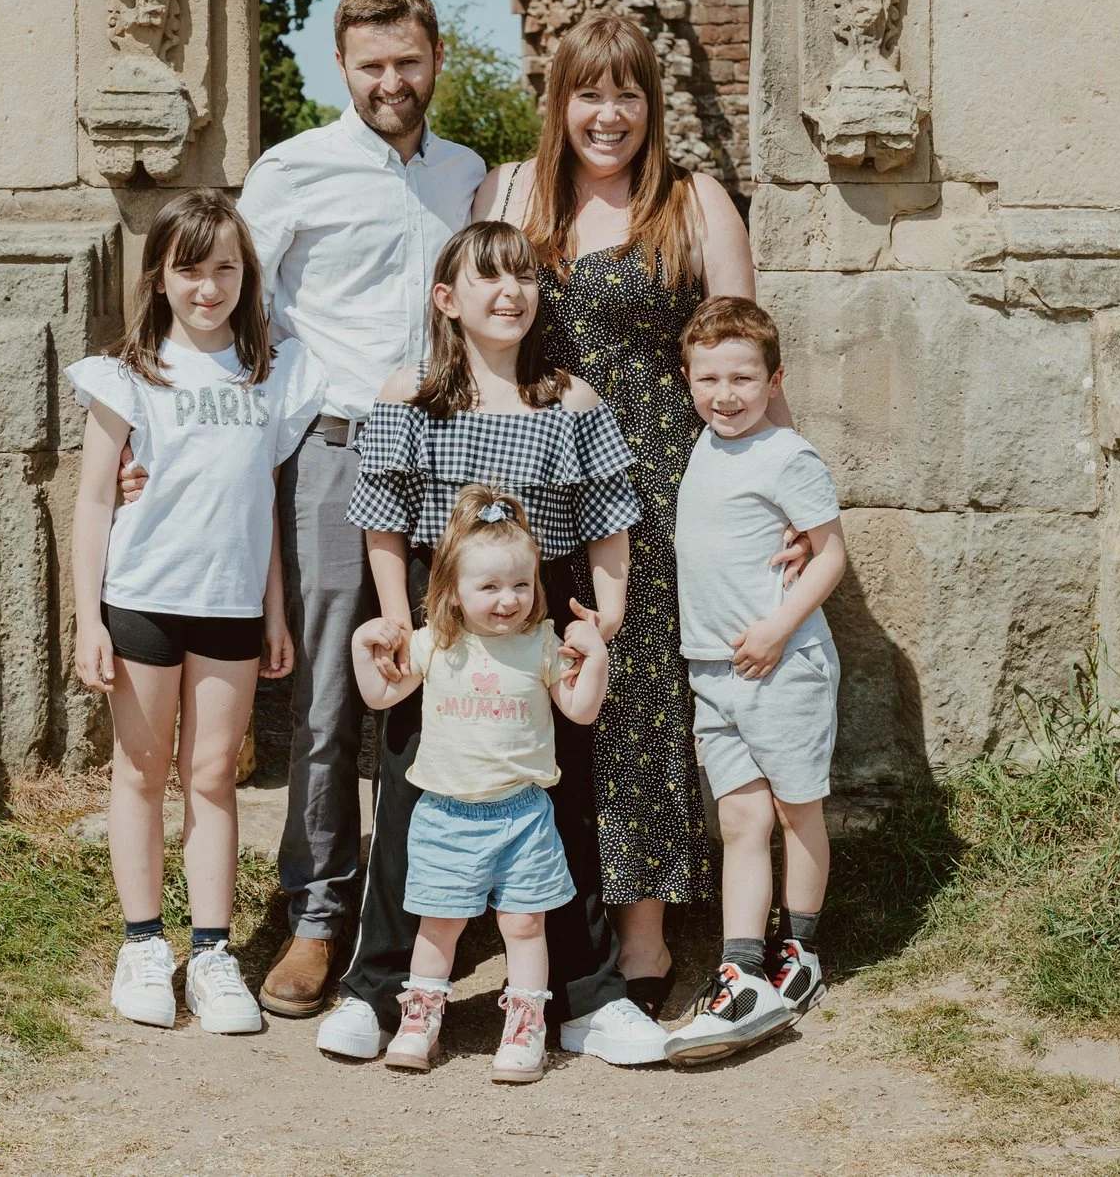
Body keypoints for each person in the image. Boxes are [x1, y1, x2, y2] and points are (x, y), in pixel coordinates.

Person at [476, 12, 797, 1012]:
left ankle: (645, 940)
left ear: (650, 103)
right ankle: (538, 920)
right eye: (587, 93)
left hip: (659, 486)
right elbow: (471, 335)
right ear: (558, 100)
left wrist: (794, 494)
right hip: (534, 476)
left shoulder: (694, 201)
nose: (606, 114)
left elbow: (749, 355)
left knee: (639, 708)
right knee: (529, 689)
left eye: (626, 93)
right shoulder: (513, 192)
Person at [317, 221, 671, 1067]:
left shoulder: (569, 399)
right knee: (410, 799)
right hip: (439, 615)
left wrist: (607, 611)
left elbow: (608, 514)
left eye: (523, 277)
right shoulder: (411, 394)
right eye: (488, 278)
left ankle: (582, 998)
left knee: (560, 802)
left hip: (536, 610)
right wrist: (399, 617)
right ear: (448, 298)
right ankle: (379, 988)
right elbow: (385, 518)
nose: (509, 292)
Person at [232, 0, 488, 1016]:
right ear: (343, 67)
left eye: (408, 61)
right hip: (338, 451)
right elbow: (226, 307)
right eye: (372, 65)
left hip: (452, 452)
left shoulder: (467, 174)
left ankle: (435, 903)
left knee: (455, 682)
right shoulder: (292, 169)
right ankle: (317, 916)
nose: (392, 81)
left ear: (435, 61)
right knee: (337, 699)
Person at [68, 190, 326, 1034]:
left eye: (225, 268)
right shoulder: (127, 375)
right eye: (190, 268)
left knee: (212, 776)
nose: (208, 286)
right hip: (143, 600)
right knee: (141, 772)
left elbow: (267, 503)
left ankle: (212, 952)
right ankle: (145, 942)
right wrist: (86, 618)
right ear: (161, 277)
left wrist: (275, 610)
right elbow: (94, 502)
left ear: (247, 276)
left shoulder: (270, 376)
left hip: (230, 609)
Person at [348, 485, 611, 1083]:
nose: (507, 600)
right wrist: (364, 649)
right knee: (439, 925)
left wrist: (593, 657)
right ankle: (420, 1019)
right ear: (451, 591)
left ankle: (524, 1028)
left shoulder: (543, 645)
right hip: (445, 814)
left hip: (523, 814)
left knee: (525, 924)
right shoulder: (435, 644)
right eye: (488, 587)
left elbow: (580, 711)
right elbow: (382, 694)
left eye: (520, 585)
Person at [661, 297, 849, 1066]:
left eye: (743, 376)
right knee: (740, 818)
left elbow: (831, 553)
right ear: (688, 379)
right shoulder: (700, 445)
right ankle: (740, 960)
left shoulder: (787, 454)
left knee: (796, 806)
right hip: (712, 670)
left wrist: (777, 628)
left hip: (783, 666)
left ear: (774, 379)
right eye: (709, 377)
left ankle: (799, 948)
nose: (726, 393)